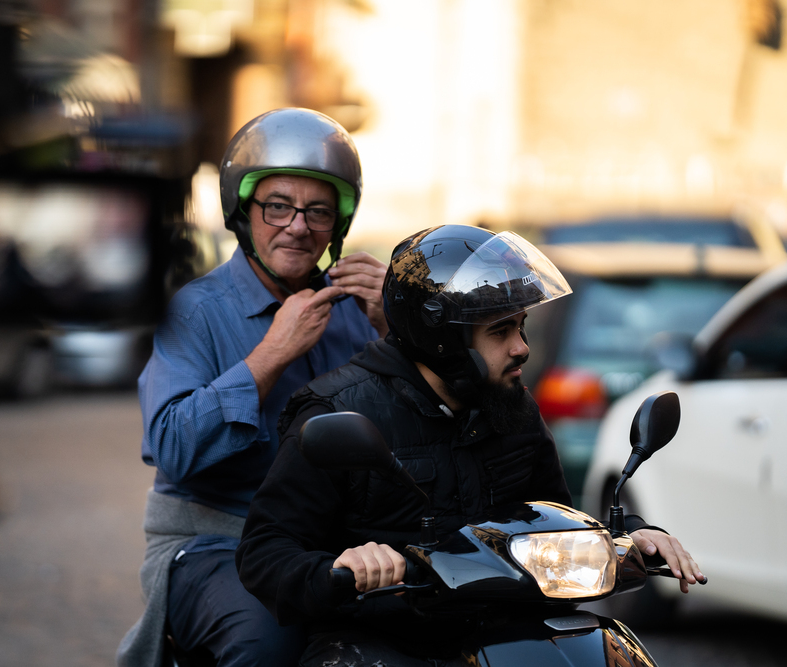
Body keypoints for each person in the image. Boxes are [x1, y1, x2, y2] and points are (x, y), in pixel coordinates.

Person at [235, 224, 707, 666]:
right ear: (441, 339)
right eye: (499, 332)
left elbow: (555, 523)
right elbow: (265, 552)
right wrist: (341, 567)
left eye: (519, 326)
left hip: (507, 635)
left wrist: (634, 538)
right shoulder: (340, 412)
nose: (521, 347)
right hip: (384, 640)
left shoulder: (510, 406)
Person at [117, 108, 389, 667]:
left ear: (337, 225)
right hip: (215, 543)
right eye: (278, 206)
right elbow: (170, 446)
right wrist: (270, 354)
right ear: (243, 212)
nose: (298, 225)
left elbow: (417, 427)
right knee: (266, 638)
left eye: (318, 210)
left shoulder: (358, 311)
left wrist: (399, 329)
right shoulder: (195, 310)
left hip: (335, 545)